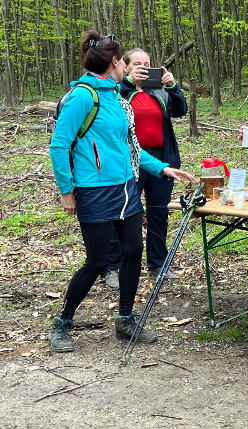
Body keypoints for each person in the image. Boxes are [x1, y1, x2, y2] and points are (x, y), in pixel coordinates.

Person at [47, 30, 195, 353]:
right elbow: (58, 145)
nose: (126, 67)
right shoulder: (84, 96)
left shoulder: (117, 97)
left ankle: (125, 318)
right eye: (122, 62)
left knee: (133, 251)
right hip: (94, 191)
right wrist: (66, 191)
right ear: (115, 63)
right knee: (98, 261)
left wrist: (163, 168)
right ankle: (62, 321)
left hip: (126, 190)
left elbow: (131, 148)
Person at [104, 48, 188, 287]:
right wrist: (129, 83)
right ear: (126, 66)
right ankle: (113, 267)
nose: (143, 67)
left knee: (158, 212)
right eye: (137, 63)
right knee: (123, 212)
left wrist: (173, 86)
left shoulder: (158, 91)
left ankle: (158, 264)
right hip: (129, 160)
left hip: (162, 158)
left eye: (147, 63)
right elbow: (111, 99)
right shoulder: (118, 89)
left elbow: (180, 110)